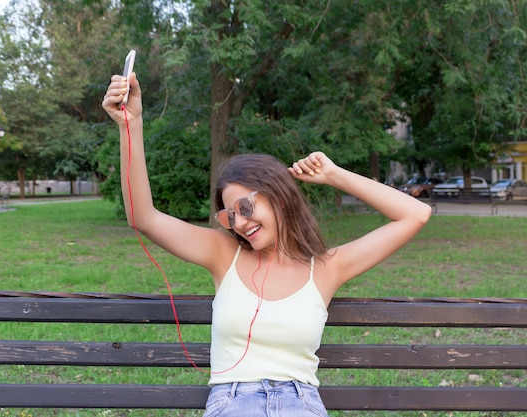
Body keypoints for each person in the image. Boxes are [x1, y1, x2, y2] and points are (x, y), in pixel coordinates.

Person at [102, 72, 432, 416]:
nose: (240, 223)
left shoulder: (328, 268)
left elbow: (415, 214)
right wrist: (131, 124)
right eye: (229, 216)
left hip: (299, 402)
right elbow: (143, 216)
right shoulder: (223, 254)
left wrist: (334, 175)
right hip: (232, 402)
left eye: (246, 207)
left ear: (278, 197)